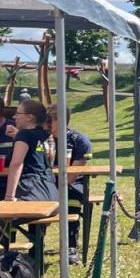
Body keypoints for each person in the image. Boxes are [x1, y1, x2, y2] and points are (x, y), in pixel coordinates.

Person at [47, 104, 92, 264]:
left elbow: (73, 175)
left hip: (72, 183)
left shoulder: (79, 140)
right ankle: (34, 248)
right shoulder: (41, 140)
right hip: (46, 183)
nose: (45, 125)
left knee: (70, 198)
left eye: (48, 121)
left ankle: (71, 248)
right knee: (36, 199)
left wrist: (58, 188)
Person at [4, 99, 59, 206]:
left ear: (29, 117)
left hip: (30, 191)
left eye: (18, 113)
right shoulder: (47, 135)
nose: (14, 117)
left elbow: (16, 163)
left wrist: (9, 197)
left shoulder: (24, 135)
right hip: (52, 193)